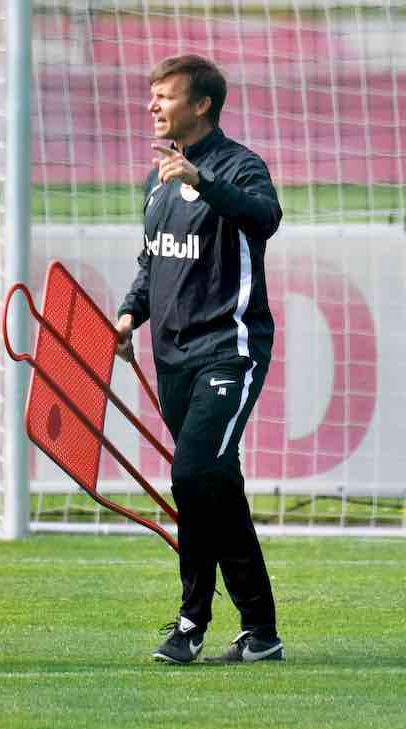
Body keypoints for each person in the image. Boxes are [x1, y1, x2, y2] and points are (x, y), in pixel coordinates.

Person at [114, 55, 283, 664]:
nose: (153, 105)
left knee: (191, 477)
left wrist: (203, 180)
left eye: (164, 96)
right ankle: (262, 632)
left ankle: (191, 621)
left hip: (229, 351)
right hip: (172, 357)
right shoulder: (157, 178)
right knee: (217, 487)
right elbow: (153, 259)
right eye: (152, 95)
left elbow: (266, 217)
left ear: (201, 104)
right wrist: (132, 311)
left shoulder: (240, 165)